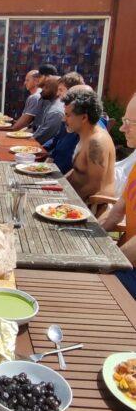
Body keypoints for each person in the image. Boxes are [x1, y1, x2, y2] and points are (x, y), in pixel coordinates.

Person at [101, 93, 136, 297]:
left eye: (129, 123)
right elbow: (117, 211)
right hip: (127, 261)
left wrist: (106, 265)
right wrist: (91, 236)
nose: (122, 129)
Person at [64, 88, 115, 202]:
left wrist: (66, 200)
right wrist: (59, 183)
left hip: (92, 207)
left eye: (67, 115)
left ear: (84, 118)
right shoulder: (86, 135)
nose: (64, 119)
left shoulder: (96, 142)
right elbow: (78, 171)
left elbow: (95, 187)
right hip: (75, 199)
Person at [44, 72, 84, 173]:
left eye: (61, 90)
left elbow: (75, 166)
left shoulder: (84, 122)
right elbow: (58, 139)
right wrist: (42, 150)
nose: (57, 94)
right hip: (54, 168)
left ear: (73, 91)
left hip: (61, 174)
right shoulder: (67, 112)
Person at [32, 76, 64, 144]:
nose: (42, 89)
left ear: (56, 90)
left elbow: (41, 138)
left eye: (46, 87)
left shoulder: (55, 111)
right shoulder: (51, 104)